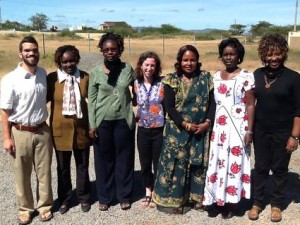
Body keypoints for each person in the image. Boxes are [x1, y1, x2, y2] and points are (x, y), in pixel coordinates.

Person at [152, 45, 215, 214]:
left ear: (197, 61)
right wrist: (185, 124)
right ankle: (174, 200)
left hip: (199, 130)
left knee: (196, 164)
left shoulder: (206, 78)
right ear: (179, 62)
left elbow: (212, 103)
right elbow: (169, 107)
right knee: (177, 164)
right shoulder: (171, 79)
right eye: (185, 60)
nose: (189, 63)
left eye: (192, 60)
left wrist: (207, 123)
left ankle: (196, 199)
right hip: (177, 130)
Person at [0, 36, 53, 224]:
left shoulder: (43, 73)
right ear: (20, 53)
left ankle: (45, 206)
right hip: (20, 131)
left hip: (42, 130)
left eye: (34, 50)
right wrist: (7, 138)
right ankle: (25, 209)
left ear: (38, 51)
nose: (32, 53)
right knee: (22, 173)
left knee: (44, 171)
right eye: (27, 50)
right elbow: (5, 111)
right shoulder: (10, 79)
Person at [247, 34, 300, 222]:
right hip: (261, 131)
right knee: (260, 167)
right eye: (269, 55)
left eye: (277, 54)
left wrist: (295, 136)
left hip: (283, 132)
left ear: (283, 54)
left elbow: (298, 110)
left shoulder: (294, 78)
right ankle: (257, 203)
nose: (274, 58)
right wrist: (250, 130)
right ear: (263, 55)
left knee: (279, 169)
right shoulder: (256, 75)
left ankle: (276, 204)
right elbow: (249, 104)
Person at [202, 38, 255, 219]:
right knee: (218, 161)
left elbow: (250, 105)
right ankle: (217, 199)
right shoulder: (215, 77)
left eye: (232, 54)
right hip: (220, 128)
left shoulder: (246, 76)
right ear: (221, 57)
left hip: (239, 128)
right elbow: (213, 104)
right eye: (225, 55)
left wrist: (249, 130)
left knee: (235, 163)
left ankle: (232, 203)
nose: (229, 58)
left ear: (239, 56)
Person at [88, 32, 136, 211]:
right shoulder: (96, 73)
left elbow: (138, 87)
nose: (110, 52)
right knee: (103, 161)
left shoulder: (127, 69)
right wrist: (92, 125)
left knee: (124, 159)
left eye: (113, 49)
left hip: (123, 121)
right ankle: (105, 197)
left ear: (119, 50)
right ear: (102, 51)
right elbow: (91, 101)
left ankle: (124, 196)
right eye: (106, 49)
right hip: (103, 123)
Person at [47, 45, 92, 214]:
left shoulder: (85, 78)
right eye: (64, 61)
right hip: (60, 132)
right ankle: (65, 200)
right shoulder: (52, 79)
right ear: (59, 62)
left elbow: (93, 103)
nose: (69, 64)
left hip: (81, 130)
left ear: (77, 60)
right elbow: (40, 100)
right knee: (62, 168)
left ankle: (84, 197)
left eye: (72, 60)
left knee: (82, 166)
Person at [134, 51, 164, 208]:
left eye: (153, 65)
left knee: (158, 163)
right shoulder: (135, 83)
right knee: (145, 163)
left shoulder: (162, 83)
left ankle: (158, 192)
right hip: (143, 129)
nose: (150, 68)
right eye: (147, 65)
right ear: (141, 65)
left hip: (159, 129)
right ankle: (148, 191)